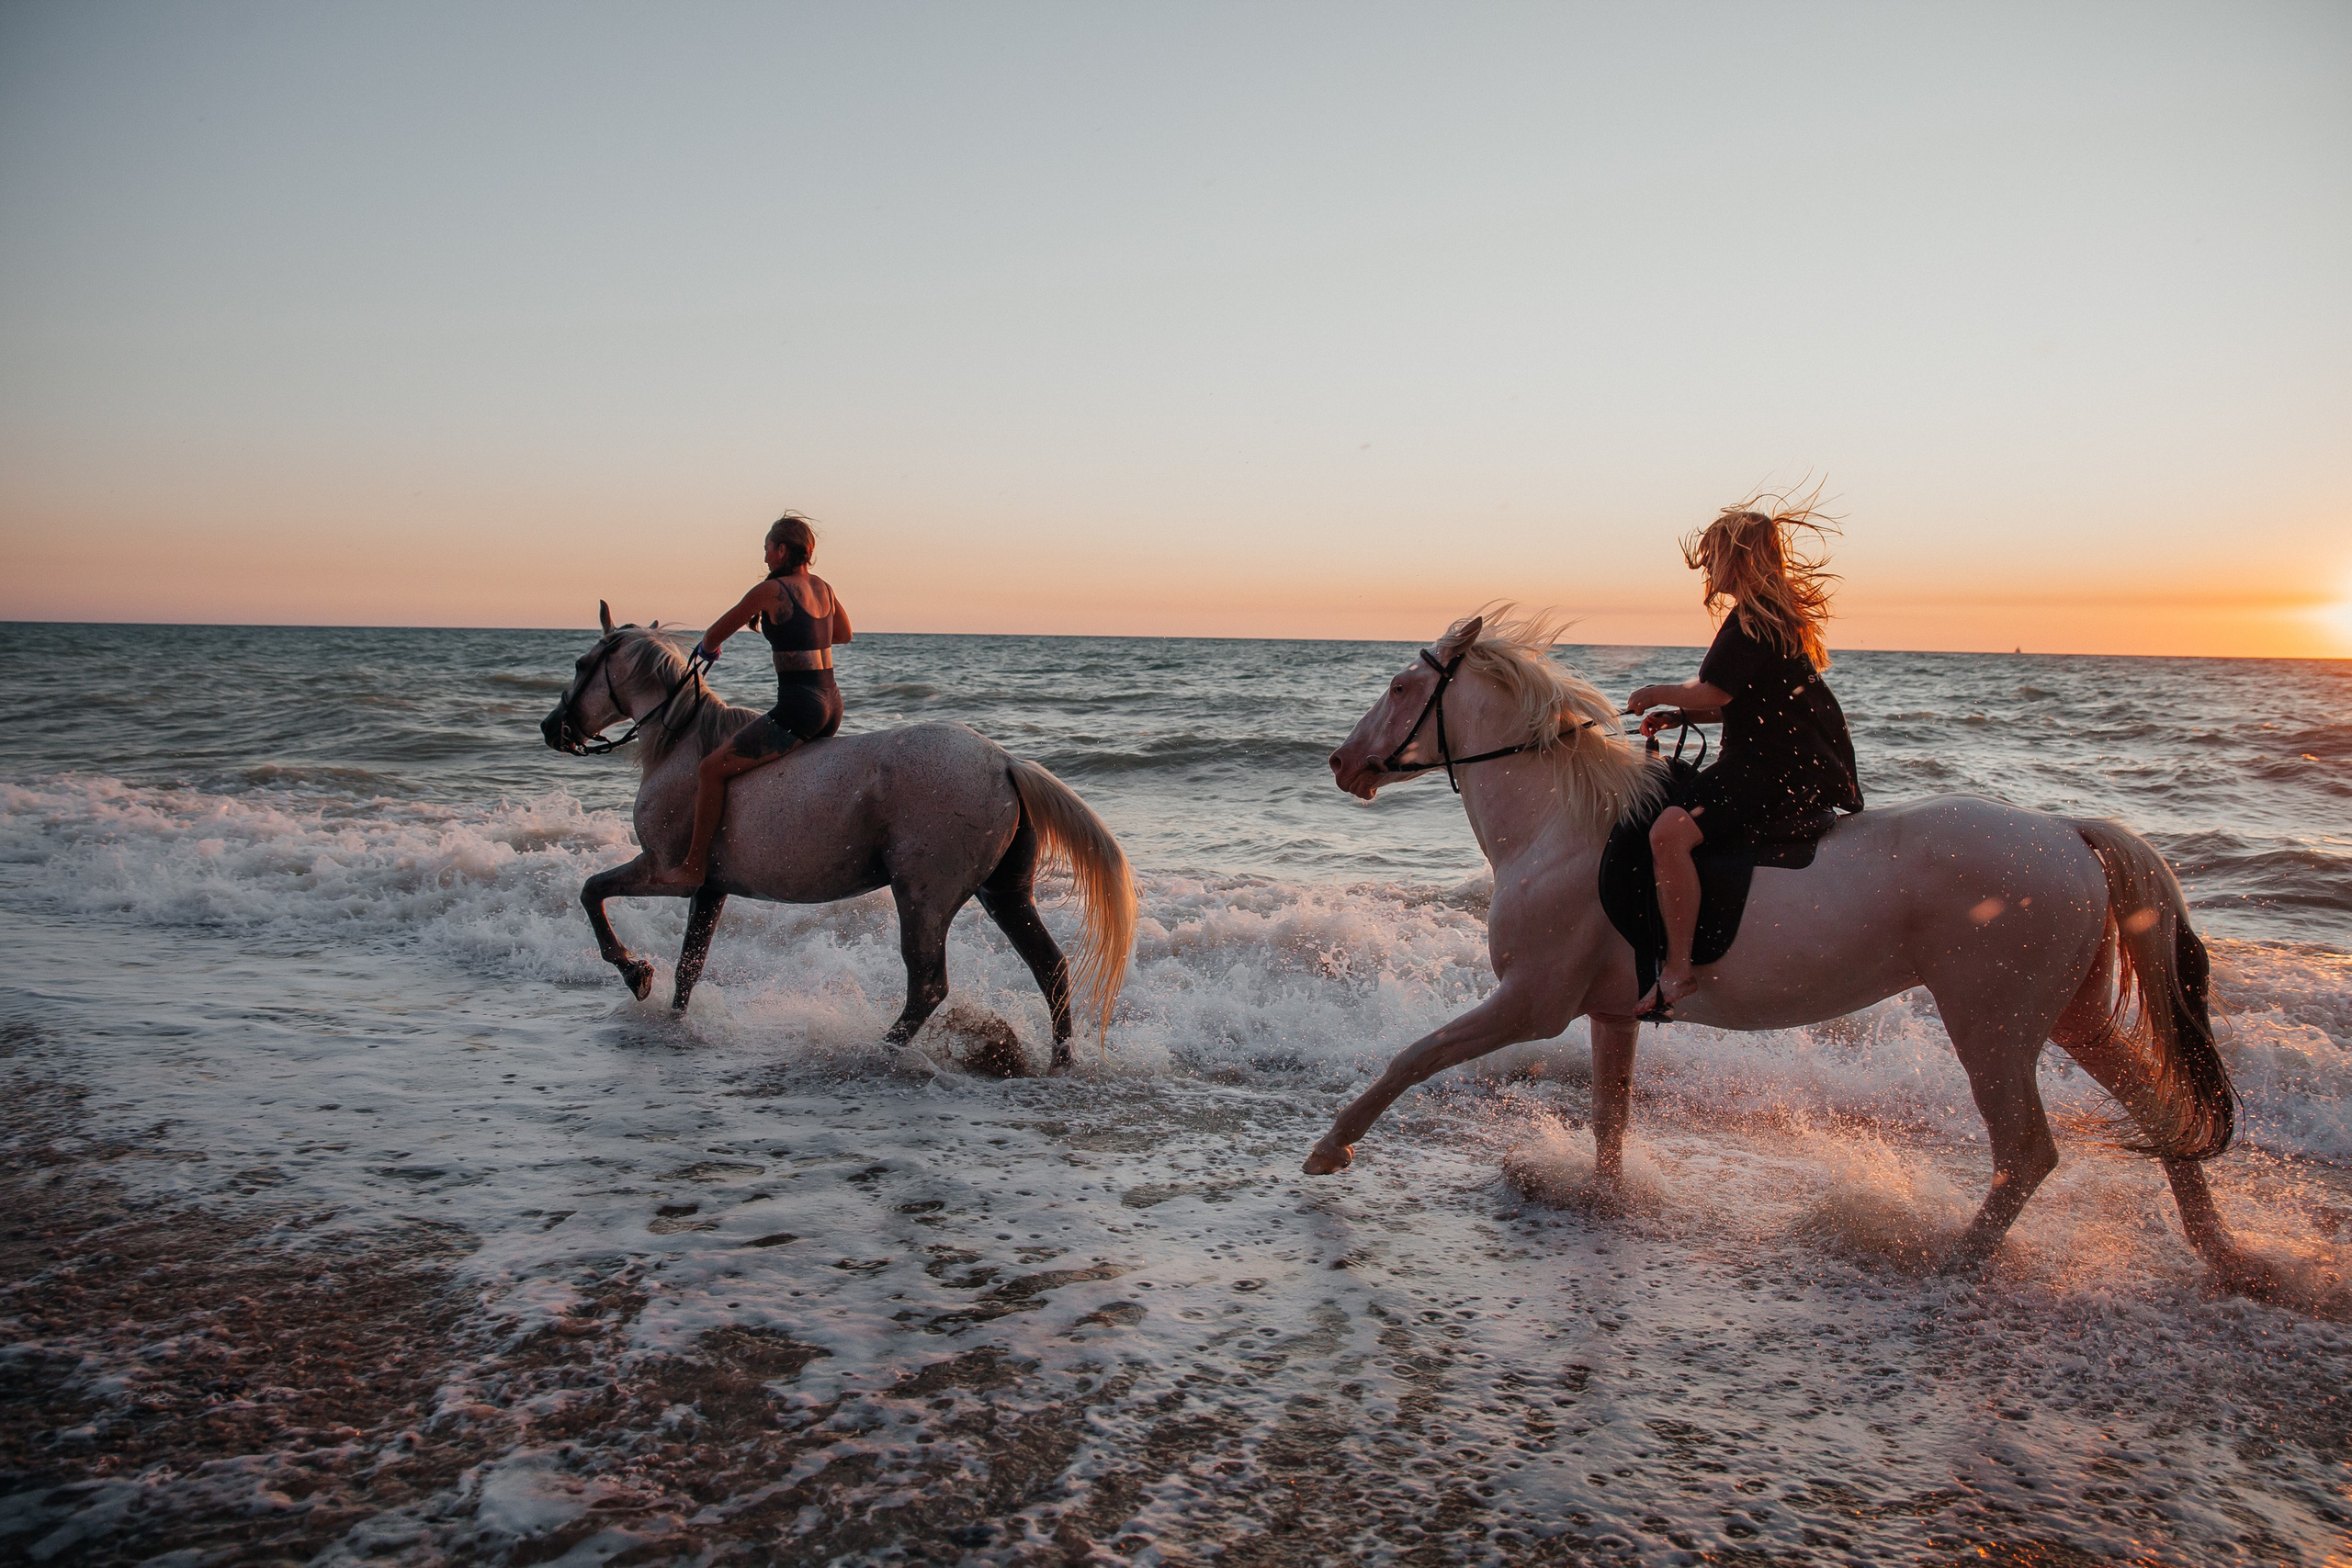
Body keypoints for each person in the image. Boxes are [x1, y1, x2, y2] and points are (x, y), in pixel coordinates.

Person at [1624, 495, 1863, 1015]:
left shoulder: (1755, 619)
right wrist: (1680, 717)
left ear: (1741, 558)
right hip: (1782, 762)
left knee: (1668, 833)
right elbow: (1745, 703)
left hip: (1773, 770)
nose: (1708, 567)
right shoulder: (1770, 617)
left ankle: (1680, 970)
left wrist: (1659, 691)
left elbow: (1717, 693)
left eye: (1714, 556)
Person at [650, 512, 852, 888]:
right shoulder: (824, 587)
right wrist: (807, 637)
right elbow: (843, 634)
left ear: (780, 549)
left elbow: (713, 634)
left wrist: (709, 649)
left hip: (800, 707)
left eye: (766, 550)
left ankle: (693, 867)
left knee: (711, 768)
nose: (764, 559)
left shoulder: (771, 592)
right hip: (832, 705)